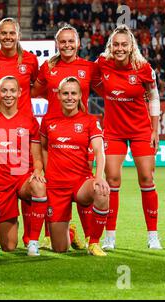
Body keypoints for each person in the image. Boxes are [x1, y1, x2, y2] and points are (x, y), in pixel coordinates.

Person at [31, 24, 102, 250]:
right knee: (52, 184)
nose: (67, 45)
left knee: (83, 181)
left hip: (80, 131)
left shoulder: (89, 68)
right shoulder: (48, 67)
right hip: (53, 132)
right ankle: (57, 232)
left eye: (71, 41)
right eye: (63, 41)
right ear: (57, 44)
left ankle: (93, 237)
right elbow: (32, 91)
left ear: (79, 43)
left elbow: (108, 87)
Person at [96, 25, 163, 250]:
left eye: (124, 44)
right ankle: (110, 236)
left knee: (146, 178)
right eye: (116, 44)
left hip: (140, 131)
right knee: (112, 179)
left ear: (131, 46)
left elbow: (153, 97)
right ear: (110, 46)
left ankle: (153, 235)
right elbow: (92, 82)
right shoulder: (102, 64)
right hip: (113, 131)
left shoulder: (143, 68)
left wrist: (155, 129)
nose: (120, 48)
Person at [0, 17, 39, 250]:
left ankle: (29, 237)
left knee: (28, 180)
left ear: (18, 35)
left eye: (11, 33)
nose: (7, 37)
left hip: (23, 132)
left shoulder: (30, 61)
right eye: (3, 33)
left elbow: (38, 86)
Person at [40, 76, 109, 256]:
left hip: (80, 182)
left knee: (102, 191)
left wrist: (99, 177)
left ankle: (93, 242)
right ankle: (70, 232)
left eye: (73, 93)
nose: (69, 97)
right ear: (58, 96)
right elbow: (43, 148)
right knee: (60, 248)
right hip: (56, 186)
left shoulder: (90, 120)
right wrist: (47, 172)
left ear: (79, 96)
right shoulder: (48, 120)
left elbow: (100, 151)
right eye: (65, 93)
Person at [0, 76, 47, 256]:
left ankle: (33, 241)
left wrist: (38, 172)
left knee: (39, 186)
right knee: (9, 246)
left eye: (12, 90)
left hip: (23, 179)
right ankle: (12, 219)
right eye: (4, 90)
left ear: (19, 93)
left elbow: (37, 156)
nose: (8, 94)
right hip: (1, 183)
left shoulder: (29, 121)